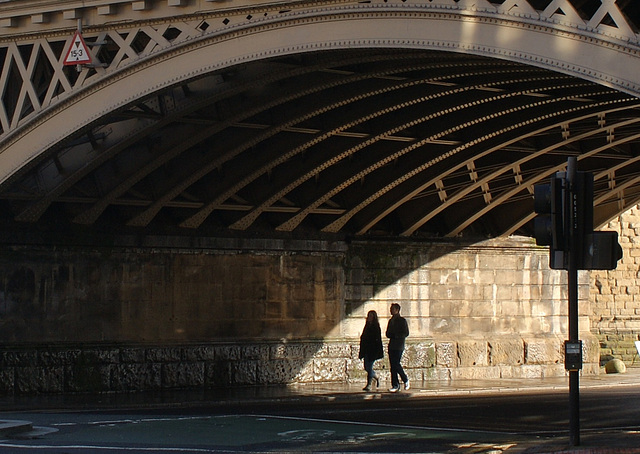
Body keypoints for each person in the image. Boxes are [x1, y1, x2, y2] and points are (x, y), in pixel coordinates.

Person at [385, 303, 409, 392]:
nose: (390, 310)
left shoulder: (402, 321)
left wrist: (396, 335)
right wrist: (391, 335)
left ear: (397, 310)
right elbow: (387, 333)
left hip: (398, 345)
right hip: (392, 345)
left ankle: (405, 379)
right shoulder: (391, 321)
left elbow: (406, 333)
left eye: (392, 309)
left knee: (396, 364)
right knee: (393, 366)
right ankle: (395, 385)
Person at [358, 310, 384, 392]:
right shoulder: (367, 326)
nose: (369, 318)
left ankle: (369, 384)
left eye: (371, 316)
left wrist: (377, 351)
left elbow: (378, 340)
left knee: (369, 367)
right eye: (368, 316)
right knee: (366, 367)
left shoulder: (376, 327)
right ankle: (375, 376)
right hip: (366, 349)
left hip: (372, 350)